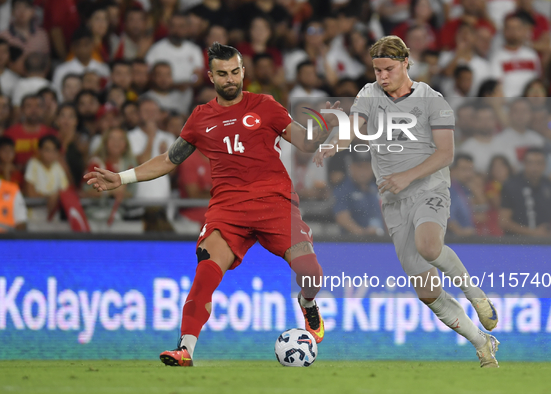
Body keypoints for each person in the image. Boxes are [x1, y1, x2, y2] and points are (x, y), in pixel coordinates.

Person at [85, 42, 336, 366]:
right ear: (211, 76)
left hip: (274, 202)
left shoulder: (266, 105)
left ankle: (307, 303)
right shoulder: (201, 118)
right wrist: (123, 177)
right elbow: (168, 159)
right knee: (205, 273)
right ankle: (185, 349)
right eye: (222, 74)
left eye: (235, 72)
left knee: (311, 272)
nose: (230, 79)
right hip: (227, 209)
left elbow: (305, 141)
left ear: (243, 71)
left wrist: (324, 125)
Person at [314, 35, 500, 368]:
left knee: (429, 246)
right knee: (427, 291)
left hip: (429, 188)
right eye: (376, 70)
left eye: (388, 69)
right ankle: (482, 342)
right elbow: (352, 130)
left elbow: (446, 153)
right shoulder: (369, 94)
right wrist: (332, 141)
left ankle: (476, 294)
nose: (381, 76)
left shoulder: (433, 100)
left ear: (405, 63)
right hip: (393, 199)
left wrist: (407, 176)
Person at [499, 147, 551, 237]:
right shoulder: (511, 185)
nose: (534, 168)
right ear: (524, 164)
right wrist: (533, 233)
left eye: (539, 163)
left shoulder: (550, 186)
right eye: (530, 163)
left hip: (544, 243)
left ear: (545, 165)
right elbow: (503, 222)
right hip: (516, 243)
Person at [333, 151, 384, 236]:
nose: (363, 171)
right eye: (359, 166)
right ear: (351, 167)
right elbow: (342, 218)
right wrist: (363, 234)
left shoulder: (375, 187)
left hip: (381, 240)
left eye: (367, 167)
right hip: (354, 242)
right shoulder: (343, 189)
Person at [4, 93, 57, 169]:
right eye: (29, 106)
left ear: (43, 109)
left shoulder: (51, 133)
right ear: (22, 109)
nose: (34, 110)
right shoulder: (9, 134)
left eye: (38, 106)